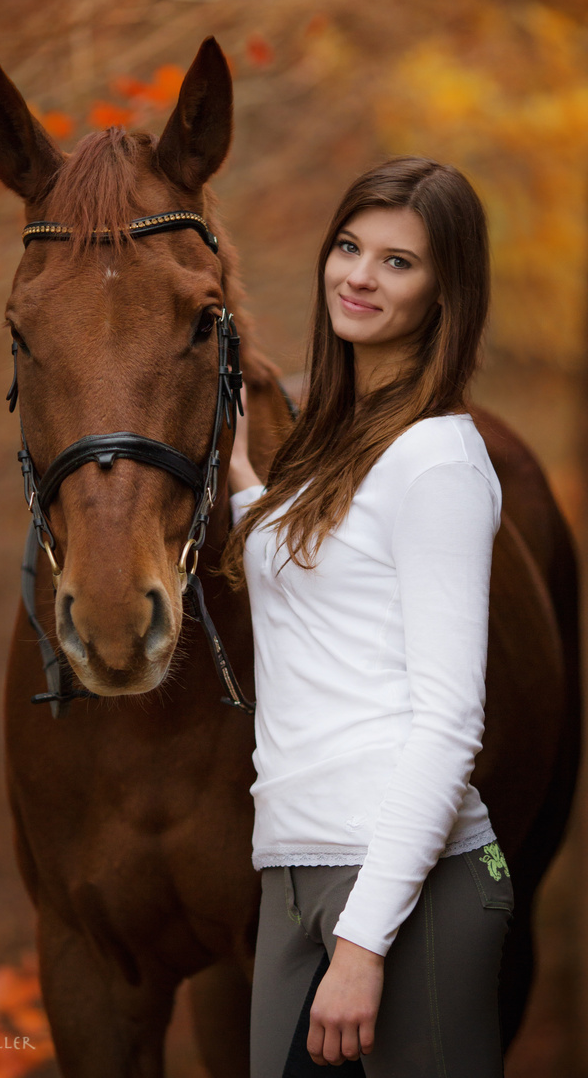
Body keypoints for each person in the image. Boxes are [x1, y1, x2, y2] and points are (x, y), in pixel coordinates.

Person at [224, 157, 514, 1078]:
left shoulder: (440, 464)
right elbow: (313, 582)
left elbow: (449, 722)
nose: (358, 274)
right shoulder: (332, 446)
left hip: (406, 881)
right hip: (293, 864)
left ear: (444, 294)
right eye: (350, 246)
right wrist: (242, 481)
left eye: (398, 262)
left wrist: (362, 945)